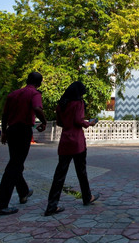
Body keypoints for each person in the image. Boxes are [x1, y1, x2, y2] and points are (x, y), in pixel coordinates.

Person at [0, 72, 48, 217]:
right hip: (23, 130)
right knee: (14, 166)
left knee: (16, 162)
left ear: (27, 80)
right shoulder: (34, 94)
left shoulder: (13, 94)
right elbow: (37, 108)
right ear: (39, 83)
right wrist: (44, 121)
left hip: (12, 130)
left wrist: (4, 132)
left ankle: (23, 191)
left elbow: (4, 114)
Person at [44, 81, 99, 216]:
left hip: (65, 141)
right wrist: (89, 123)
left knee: (59, 174)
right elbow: (78, 120)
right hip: (77, 142)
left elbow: (59, 122)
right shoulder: (78, 103)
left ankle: (52, 205)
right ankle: (87, 197)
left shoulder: (61, 104)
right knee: (81, 171)